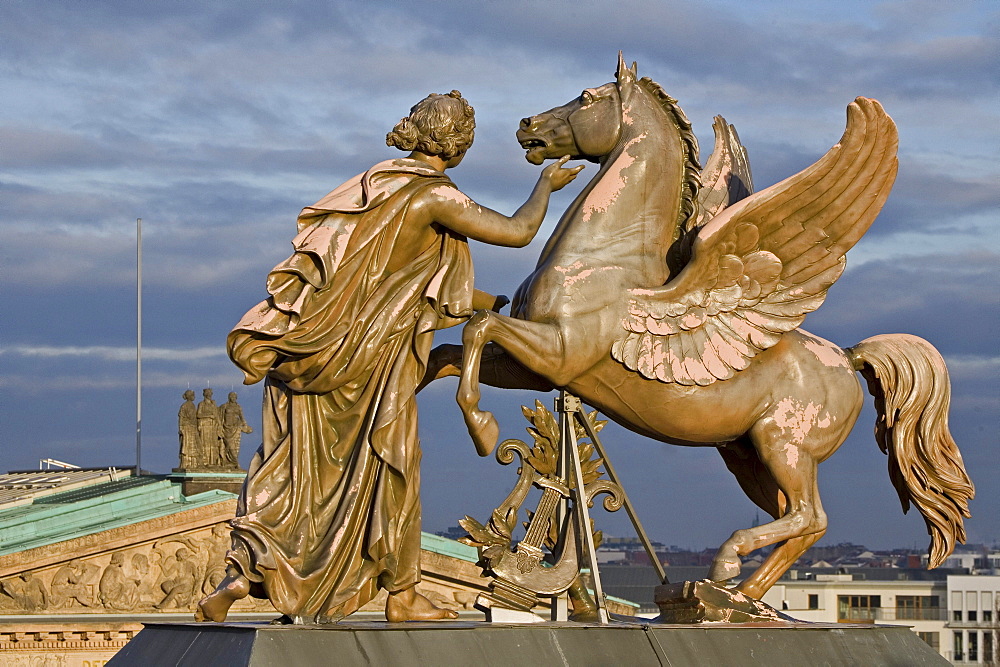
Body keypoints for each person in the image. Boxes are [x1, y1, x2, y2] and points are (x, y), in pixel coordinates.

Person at [196, 90, 582, 624]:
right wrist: (545, 187)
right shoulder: (433, 198)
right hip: (374, 361)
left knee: (299, 476)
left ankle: (242, 574)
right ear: (456, 143)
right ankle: (402, 596)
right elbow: (516, 232)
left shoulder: (372, 190)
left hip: (318, 354)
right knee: (393, 468)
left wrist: (493, 304)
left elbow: (404, 286)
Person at [219, 392, 252, 467]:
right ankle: (229, 461)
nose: (233, 398)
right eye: (231, 396)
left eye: (234, 397)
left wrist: (245, 426)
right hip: (226, 428)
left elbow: (242, 417)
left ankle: (234, 462)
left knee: (235, 446)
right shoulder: (225, 406)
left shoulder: (238, 407)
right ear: (229, 397)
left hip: (236, 428)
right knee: (229, 445)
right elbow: (220, 417)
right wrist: (219, 427)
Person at [196, 388, 222, 466]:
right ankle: (204, 461)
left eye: (210, 393)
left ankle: (213, 461)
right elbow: (198, 415)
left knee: (213, 444)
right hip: (205, 426)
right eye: (208, 393)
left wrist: (220, 425)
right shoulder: (201, 404)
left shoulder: (213, 404)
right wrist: (209, 416)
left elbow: (217, 415)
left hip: (213, 426)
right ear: (205, 394)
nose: (209, 395)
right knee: (204, 443)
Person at [178, 389, 200, 468]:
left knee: (193, 446)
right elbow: (181, 417)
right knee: (186, 446)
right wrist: (181, 428)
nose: (193, 397)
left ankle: (193, 463)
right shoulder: (184, 406)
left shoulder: (193, 405)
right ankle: (186, 463)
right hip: (186, 428)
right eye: (192, 395)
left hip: (193, 427)